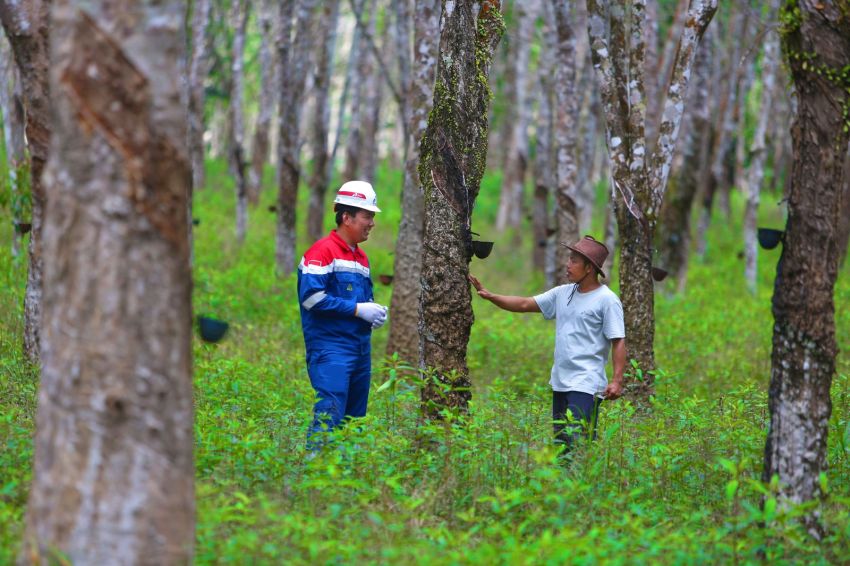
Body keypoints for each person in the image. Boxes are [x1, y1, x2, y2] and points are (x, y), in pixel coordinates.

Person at [469, 235, 627, 454]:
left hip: (586, 384)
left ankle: (580, 486)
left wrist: (617, 381)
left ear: (589, 267)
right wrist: (490, 296)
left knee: (577, 445)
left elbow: (618, 340)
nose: (567, 264)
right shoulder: (563, 293)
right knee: (561, 446)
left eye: (573, 261)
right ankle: (564, 488)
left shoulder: (607, 300)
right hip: (561, 382)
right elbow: (525, 303)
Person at [297, 180, 388, 447]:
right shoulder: (322, 252)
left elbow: (357, 300)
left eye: (372, 216)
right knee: (330, 414)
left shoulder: (361, 257)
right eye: (367, 216)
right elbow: (312, 298)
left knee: (354, 422)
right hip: (331, 348)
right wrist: (359, 309)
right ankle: (315, 476)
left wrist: (373, 313)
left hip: (360, 349)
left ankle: (345, 480)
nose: (371, 222)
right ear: (346, 217)